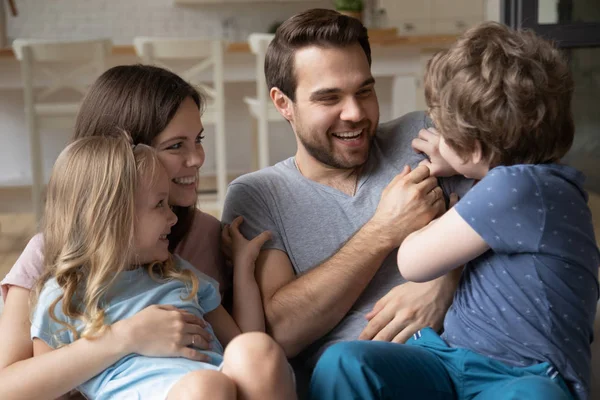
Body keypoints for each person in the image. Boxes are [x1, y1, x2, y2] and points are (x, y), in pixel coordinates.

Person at [309, 22, 600, 400]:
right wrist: (463, 163)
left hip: (522, 376)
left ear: (474, 148)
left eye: (445, 133)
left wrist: (406, 206)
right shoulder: (541, 187)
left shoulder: (514, 187)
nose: (438, 140)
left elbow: (414, 263)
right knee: (345, 361)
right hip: (450, 359)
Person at [221, 7, 472, 375]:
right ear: (283, 103)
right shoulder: (258, 195)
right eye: (329, 98)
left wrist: (446, 281)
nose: (355, 113)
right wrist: (383, 231)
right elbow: (281, 331)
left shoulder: (421, 136)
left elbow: (509, 208)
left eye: (364, 91)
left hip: (469, 362)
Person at [0, 65, 228, 399]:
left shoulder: (206, 234)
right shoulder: (49, 252)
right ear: (121, 158)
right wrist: (124, 337)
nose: (197, 158)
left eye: (198, 140)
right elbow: (8, 386)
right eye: (176, 145)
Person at [30, 133, 295, 400]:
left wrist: (243, 267)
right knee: (206, 387)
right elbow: (45, 386)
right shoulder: (64, 296)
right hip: (175, 391)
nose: (172, 216)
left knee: (256, 350)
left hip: (215, 382)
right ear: (110, 217)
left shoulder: (176, 273)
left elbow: (239, 339)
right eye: (159, 205)